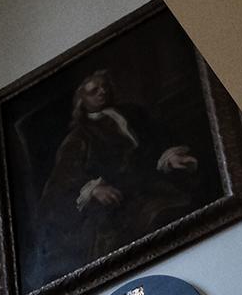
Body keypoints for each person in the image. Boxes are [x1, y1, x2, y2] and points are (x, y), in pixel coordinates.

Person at [33, 68, 202, 283]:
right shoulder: (79, 137)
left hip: (154, 184)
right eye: (94, 90)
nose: (102, 92)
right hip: (120, 201)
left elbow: (157, 139)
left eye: (105, 87)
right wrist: (93, 189)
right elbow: (63, 179)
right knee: (153, 221)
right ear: (81, 99)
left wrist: (168, 157)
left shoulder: (134, 113)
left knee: (187, 207)